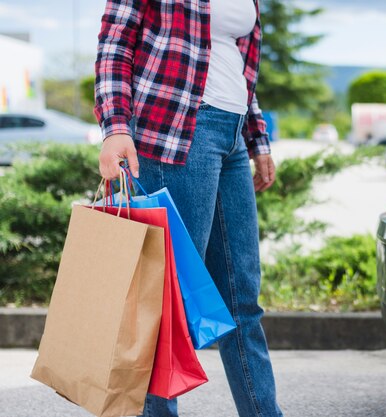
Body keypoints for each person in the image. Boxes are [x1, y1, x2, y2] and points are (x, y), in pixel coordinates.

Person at [94, 1, 283, 416]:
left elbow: (237, 66)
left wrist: (257, 140)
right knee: (165, 303)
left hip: (231, 137)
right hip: (175, 133)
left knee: (242, 300)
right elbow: (115, 44)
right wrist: (116, 128)